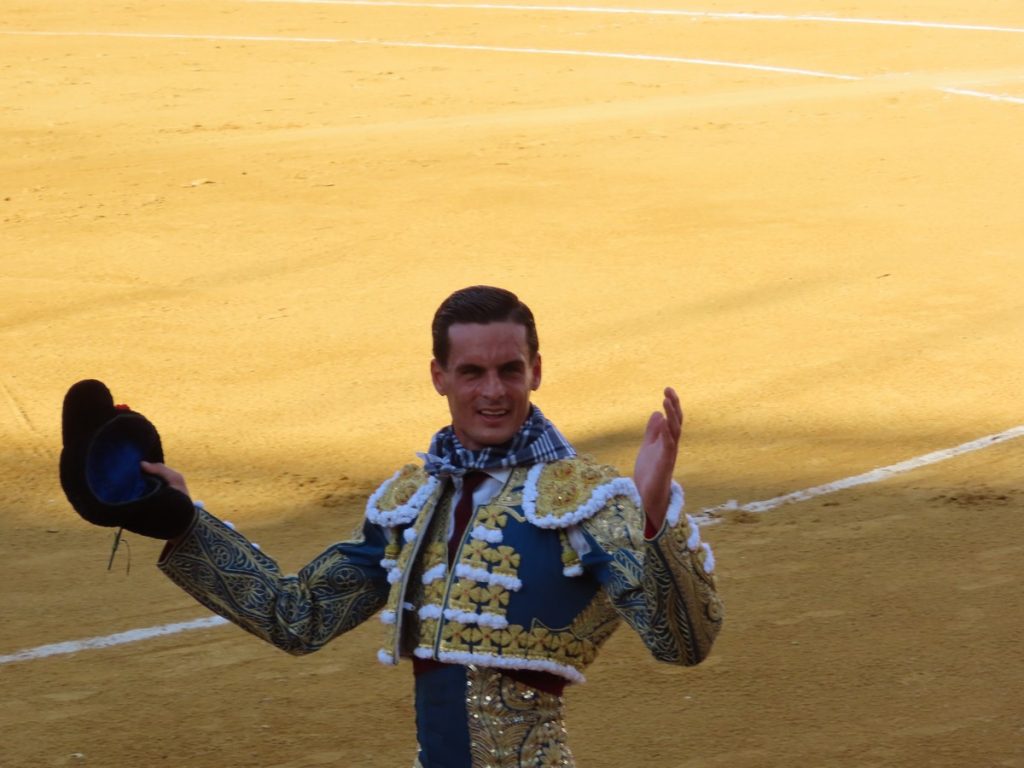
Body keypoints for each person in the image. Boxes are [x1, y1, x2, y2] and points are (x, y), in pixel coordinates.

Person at [127, 286, 723, 767]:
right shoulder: (412, 502)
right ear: (439, 375)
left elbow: (683, 644)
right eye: (472, 372)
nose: (493, 392)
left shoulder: (584, 498)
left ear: (536, 371)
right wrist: (185, 524)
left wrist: (650, 515)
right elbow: (299, 617)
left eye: (509, 370)